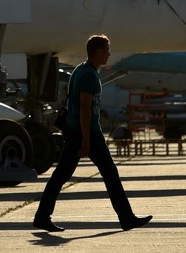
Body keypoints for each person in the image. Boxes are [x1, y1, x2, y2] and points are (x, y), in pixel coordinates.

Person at [33, 34, 152, 233]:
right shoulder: (89, 75)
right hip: (86, 132)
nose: (109, 53)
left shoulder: (81, 69)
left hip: (75, 130)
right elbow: (85, 109)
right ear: (98, 52)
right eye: (107, 50)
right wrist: (86, 141)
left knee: (61, 175)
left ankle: (42, 216)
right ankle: (127, 218)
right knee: (110, 174)